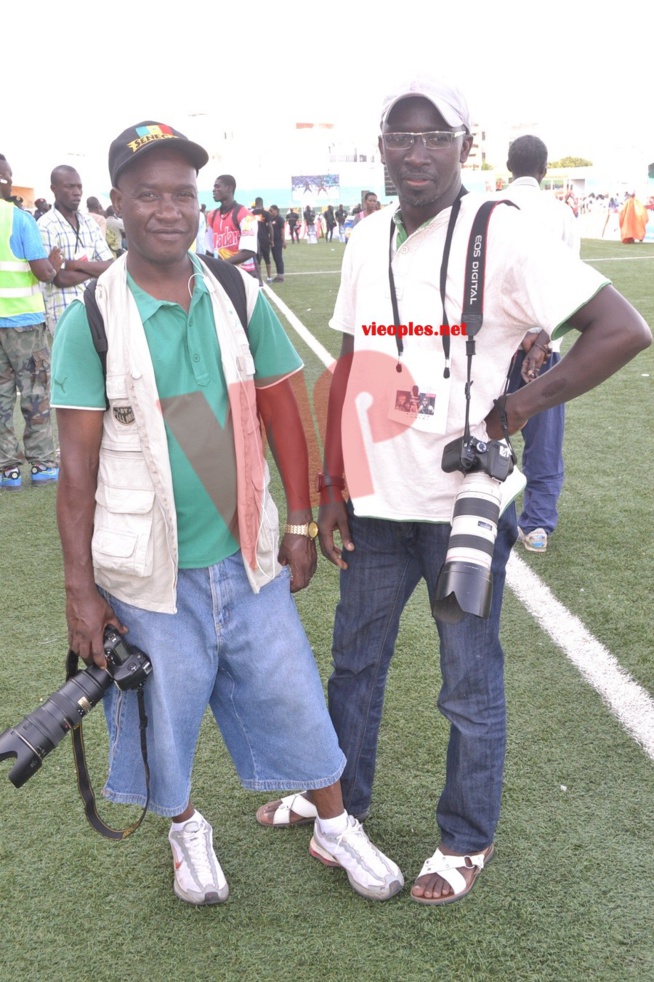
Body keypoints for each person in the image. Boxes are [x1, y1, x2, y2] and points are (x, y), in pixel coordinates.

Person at [257, 76, 651, 906]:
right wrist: (333, 483)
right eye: (401, 135)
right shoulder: (367, 235)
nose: (417, 152)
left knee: (467, 682)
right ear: (381, 146)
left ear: (465, 147)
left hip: (463, 504)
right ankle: (338, 805)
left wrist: (516, 409)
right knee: (354, 665)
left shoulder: (503, 233)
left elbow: (622, 329)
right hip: (376, 501)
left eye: (435, 136)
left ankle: (465, 838)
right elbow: (352, 365)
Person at [51, 120, 403, 908]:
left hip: (247, 556)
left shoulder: (238, 292)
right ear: (117, 205)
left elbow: (283, 410)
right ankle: (185, 828)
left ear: (199, 205)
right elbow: (76, 473)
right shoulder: (93, 321)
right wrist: (80, 590)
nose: (167, 209)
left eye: (181, 194)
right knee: (160, 716)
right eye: (148, 194)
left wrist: (302, 522)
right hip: (146, 572)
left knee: (294, 697)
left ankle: (333, 823)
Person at [502, 135, 579, 553]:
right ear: (545, 169)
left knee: (485, 430)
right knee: (544, 440)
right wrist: (542, 339)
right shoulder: (561, 213)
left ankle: (483, 514)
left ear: (508, 166)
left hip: (497, 344)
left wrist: (521, 333)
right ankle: (537, 526)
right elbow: (570, 285)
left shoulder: (488, 207)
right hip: (545, 347)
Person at [0, 154, 62, 488]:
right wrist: (53, 265)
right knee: (35, 392)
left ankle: (6, 470)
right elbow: (43, 273)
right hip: (23, 323)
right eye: (8, 176)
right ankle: (42, 465)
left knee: (1, 398)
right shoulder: (18, 219)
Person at [38, 166, 113, 334]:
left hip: (96, 308)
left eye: (79, 187)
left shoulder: (89, 223)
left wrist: (75, 264)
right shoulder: (46, 226)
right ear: (54, 188)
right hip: (65, 314)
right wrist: (94, 270)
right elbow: (60, 278)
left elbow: (110, 266)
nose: (77, 192)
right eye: (70, 186)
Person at [206, 175, 258, 277]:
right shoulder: (212, 215)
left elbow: (249, 252)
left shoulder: (245, 215)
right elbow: (209, 251)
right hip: (222, 275)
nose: (213, 190)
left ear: (229, 188)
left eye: (217, 186)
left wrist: (221, 265)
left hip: (243, 275)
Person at [252, 196, 273, 282]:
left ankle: (259, 278)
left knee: (257, 260)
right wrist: (272, 239)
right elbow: (270, 227)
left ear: (256, 203)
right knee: (267, 258)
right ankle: (269, 277)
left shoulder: (251, 213)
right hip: (265, 238)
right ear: (262, 203)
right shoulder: (266, 214)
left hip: (255, 239)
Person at [269, 204, 286, 282]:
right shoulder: (270, 219)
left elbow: (282, 230)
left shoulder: (279, 219)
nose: (270, 212)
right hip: (272, 241)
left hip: (278, 240)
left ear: (276, 211)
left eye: (271, 210)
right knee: (275, 258)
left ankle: (281, 276)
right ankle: (278, 275)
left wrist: (283, 241)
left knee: (279, 258)